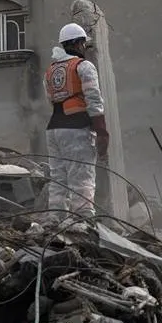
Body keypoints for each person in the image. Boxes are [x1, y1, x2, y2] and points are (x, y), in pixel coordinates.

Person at [43, 23, 109, 224]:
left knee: (58, 178)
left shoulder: (51, 70)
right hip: (77, 128)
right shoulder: (83, 66)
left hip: (54, 128)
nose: (84, 49)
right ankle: (82, 223)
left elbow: (50, 99)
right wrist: (102, 132)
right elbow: (94, 101)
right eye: (84, 45)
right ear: (79, 43)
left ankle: (54, 220)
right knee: (82, 176)